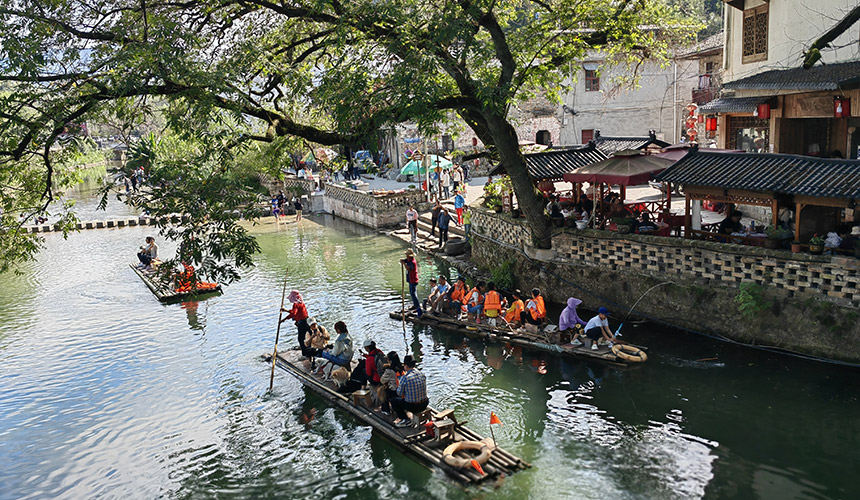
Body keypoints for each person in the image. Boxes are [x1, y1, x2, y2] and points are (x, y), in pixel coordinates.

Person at [391, 355, 429, 427]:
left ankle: (405, 419)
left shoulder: (405, 378)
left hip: (413, 406)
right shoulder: (422, 374)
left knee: (394, 401)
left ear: (405, 366)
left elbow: (399, 393)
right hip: (425, 403)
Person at [280, 290, 312, 357]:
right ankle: (309, 350)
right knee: (308, 336)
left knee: (301, 339)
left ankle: (305, 354)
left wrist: (284, 319)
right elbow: (296, 312)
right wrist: (286, 310)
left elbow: (294, 313)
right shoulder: (301, 303)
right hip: (307, 321)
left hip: (302, 323)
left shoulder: (295, 304)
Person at [400, 249, 422, 316]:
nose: (406, 256)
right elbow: (406, 261)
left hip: (413, 280)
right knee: (412, 294)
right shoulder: (409, 260)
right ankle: (415, 305)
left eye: (407, 255)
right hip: (410, 280)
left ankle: (418, 309)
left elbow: (408, 268)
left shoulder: (412, 262)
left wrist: (404, 264)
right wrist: (403, 261)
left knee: (414, 294)